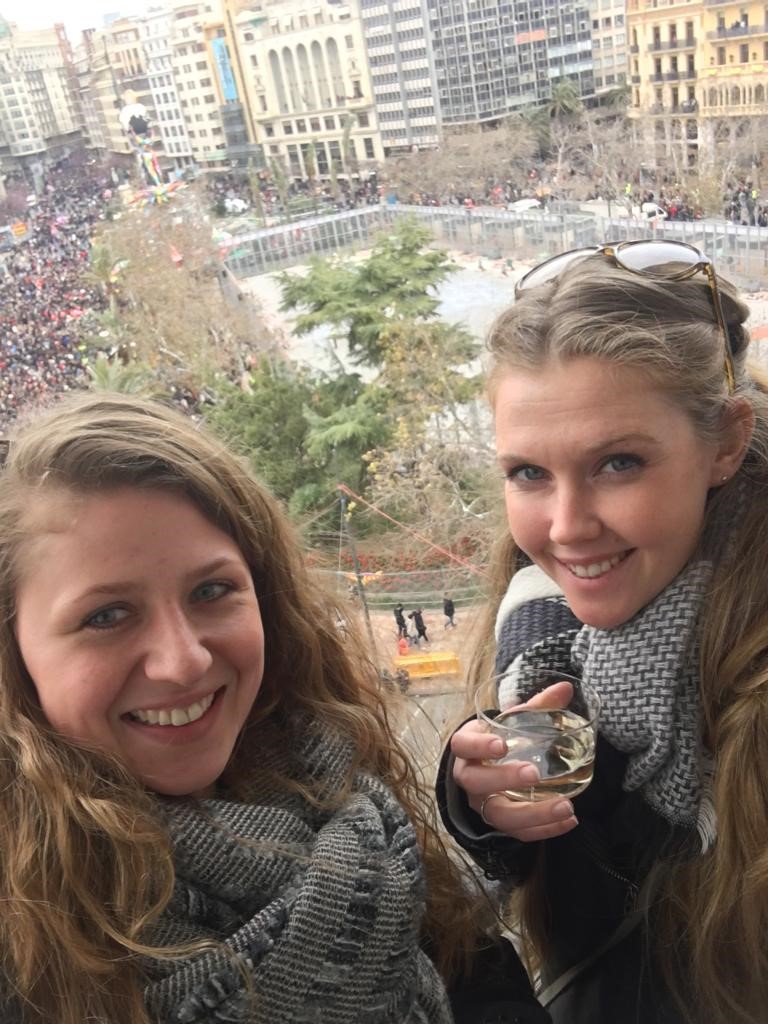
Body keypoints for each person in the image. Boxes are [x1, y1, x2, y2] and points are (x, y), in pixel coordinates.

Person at [0, 393, 549, 1024]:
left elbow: (475, 973)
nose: (183, 662)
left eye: (212, 590)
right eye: (106, 616)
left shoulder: (344, 793)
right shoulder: (23, 951)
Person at [436, 241, 768, 1024]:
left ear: (725, 443)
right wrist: (483, 804)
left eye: (618, 463)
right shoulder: (538, 625)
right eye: (528, 473)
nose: (565, 527)